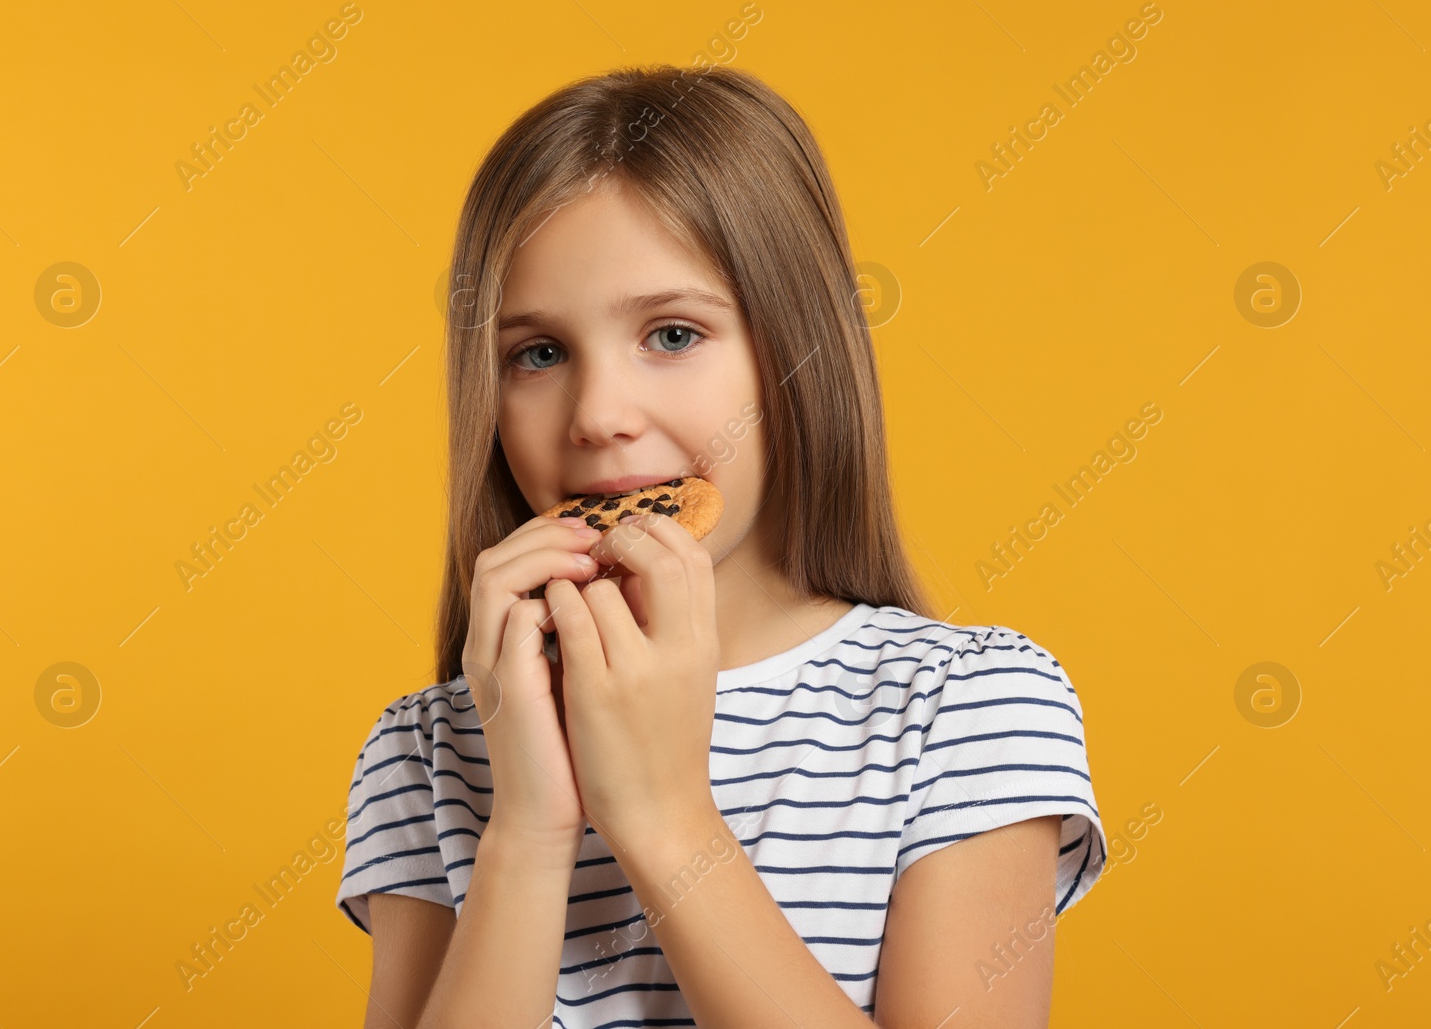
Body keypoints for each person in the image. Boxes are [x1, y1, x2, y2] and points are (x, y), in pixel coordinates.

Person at [336, 64, 1106, 1028]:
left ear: (797, 351)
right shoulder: (431, 748)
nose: (600, 416)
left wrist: (665, 819)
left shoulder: (963, 709)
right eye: (538, 353)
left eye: (670, 333)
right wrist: (528, 835)